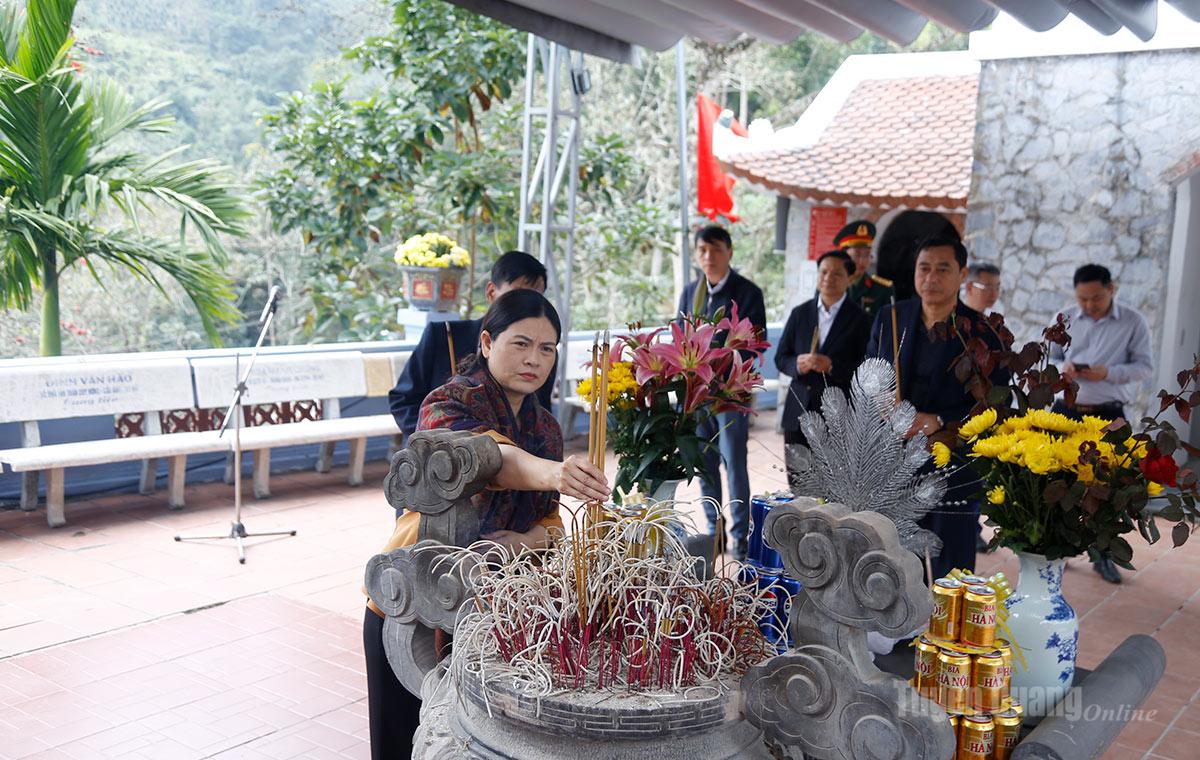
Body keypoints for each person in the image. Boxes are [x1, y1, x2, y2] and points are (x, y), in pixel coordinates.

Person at [364, 289, 610, 759]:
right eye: (521, 343)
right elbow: (486, 458)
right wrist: (555, 473)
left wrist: (524, 540)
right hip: (417, 601)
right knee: (405, 741)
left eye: (547, 348)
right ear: (486, 342)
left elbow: (552, 523)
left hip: (494, 609)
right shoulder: (447, 403)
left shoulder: (545, 427)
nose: (534, 359)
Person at [866, 237, 1008, 580]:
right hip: (895, 461)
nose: (931, 277)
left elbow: (997, 403)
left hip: (952, 464)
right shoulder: (891, 317)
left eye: (942, 269)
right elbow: (869, 370)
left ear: (962, 274)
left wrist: (939, 420)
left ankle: (947, 615)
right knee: (894, 562)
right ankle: (899, 616)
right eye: (924, 268)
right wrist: (878, 397)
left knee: (951, 566)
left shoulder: (982, 333)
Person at [1049, 263, 1153, 585]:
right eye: (1082, 299)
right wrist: (1063, 368)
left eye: (1096, 298)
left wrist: (1108, 372)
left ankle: (1103, 554)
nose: (1089, 305)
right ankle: (1056, 547)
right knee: (1057, 481)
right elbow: (1048, 358)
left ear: (1112, 289)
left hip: (1109, 412)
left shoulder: (1133, 321)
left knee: (1107, 486)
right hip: (1066, 410)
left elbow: (1144, 367)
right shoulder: (1064, 318)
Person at [389, 250, 555, 440]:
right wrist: (431, 437)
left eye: (536, 297)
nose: (528, 306)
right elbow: (403, 398)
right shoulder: (444, 334)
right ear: (491, 292)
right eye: (517, 296)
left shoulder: (544, 353)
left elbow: (541, 412)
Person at [677, 224, 767, 561]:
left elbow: (754, 343)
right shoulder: (691, 292)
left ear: (729, 252)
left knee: (734, 464)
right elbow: (681, 338)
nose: (709, 256)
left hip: (731, 395)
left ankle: (741, 539)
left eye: (716, 249)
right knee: (704, 467)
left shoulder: (748, 292)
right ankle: (715, 533)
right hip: (698, 396)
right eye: (702, 250)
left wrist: (722, 370)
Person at [775, 249, 871, 461]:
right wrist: (797, 365)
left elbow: (867, 368)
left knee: (831, 478)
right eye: (824, 272)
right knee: (797, 477)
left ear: (850, 278)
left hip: (837, 417)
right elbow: (781, 357)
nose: (828, 278)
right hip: (798, 411)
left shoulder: (860, 319)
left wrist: (832, 366)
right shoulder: (800, 313)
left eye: (837, 274)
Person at [836, 220, 893, 318]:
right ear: (844, 256)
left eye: (867, 255)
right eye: (857, 255)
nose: (862, 261)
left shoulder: (883, 290)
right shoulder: (830, 284)